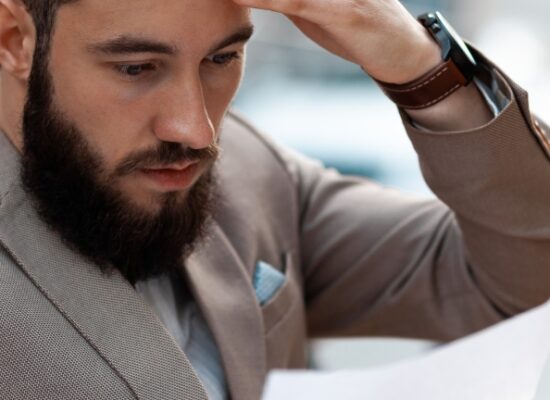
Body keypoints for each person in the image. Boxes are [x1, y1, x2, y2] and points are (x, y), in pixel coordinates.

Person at [0, 0, 548, 399]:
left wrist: (421, 67)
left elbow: (522, 280)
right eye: (137, 67)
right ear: (13, 39)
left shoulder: (250, 170)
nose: (196, 129)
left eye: (222, 59)